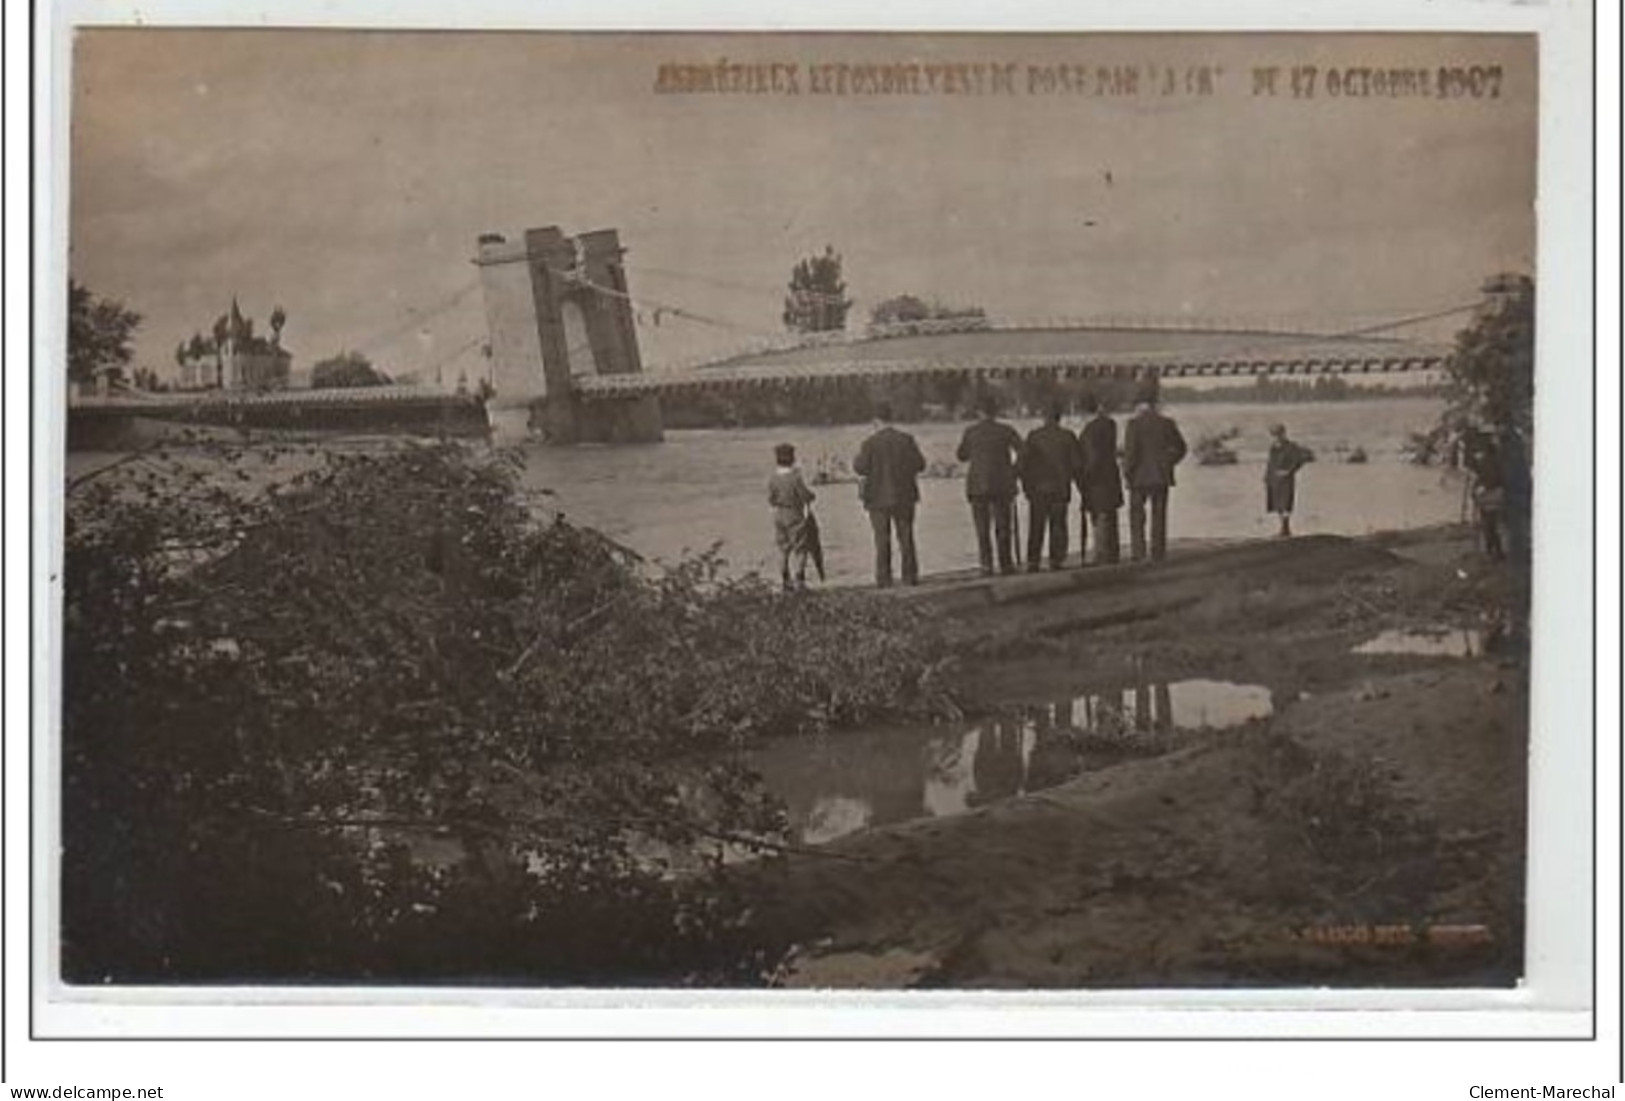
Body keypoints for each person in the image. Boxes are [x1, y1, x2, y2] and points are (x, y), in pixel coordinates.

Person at [853, 403, 926, 587]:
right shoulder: (907, 439)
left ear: (876, 421)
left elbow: (860, 468)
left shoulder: (869, 443)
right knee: (906, 536)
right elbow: (920, 465)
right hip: (904, 496)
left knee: (881, 539)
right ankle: (910, 577)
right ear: (891, 418)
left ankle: (884, 579)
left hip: (877, 498)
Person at [956, 395, 1024, 576]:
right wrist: (1014, 471)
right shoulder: (1006, 430)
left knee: (982, 529)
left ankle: (986, 565)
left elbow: (961, 456)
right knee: (1003, 527)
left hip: (978, 486)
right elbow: (1024, 452)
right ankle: (1006, 564)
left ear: (979, 412)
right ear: (996, 412)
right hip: (1002, 485)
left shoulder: (971, 431)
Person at [1121, 395, 1188, 562]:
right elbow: (1182, 447)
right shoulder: (1167, 423)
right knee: (1159, 515)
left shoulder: (1133, 424)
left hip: (1138, 477)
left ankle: (1139, 552)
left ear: (1140, 406)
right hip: (1160, 475)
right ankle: (1158, 552)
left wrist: (1126, 472)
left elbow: (1131, 453)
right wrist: (1169, 462)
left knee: (1137, 516)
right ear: (1154, 405)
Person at [1018, 402, 1080, 570]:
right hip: (1060, 488)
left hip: (1037, 488)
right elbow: (1076, 464)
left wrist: (1025, 486)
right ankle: (1056, 560)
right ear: (1059, 417)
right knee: (1058, 525)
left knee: (1036, 526)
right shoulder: (1067, 436)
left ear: (1044, 418)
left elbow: (1022, 464)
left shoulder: (1033, 436)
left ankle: (1033, 561)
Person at [1076, 394, 1123, 565]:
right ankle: (1113, 553)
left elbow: (1093, 457)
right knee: (1111, 513)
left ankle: (1101, 555)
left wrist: (1084, 476)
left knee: (1099, 515)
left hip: (1096, 479)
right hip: (1111, 474)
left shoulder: (1089, 430)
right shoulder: (1110, 424)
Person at [767, 442, 816, 591]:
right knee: (800, 549)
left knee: (783, 549)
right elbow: (804, 495)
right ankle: (799, 580)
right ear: (792, 458)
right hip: (795, 514)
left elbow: (771, 499)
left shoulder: (773, 478)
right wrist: (812, 495)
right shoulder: (795, 478)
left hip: (779, 515)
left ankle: (785, 580)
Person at [1460, 427, 1507, 561]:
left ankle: (1493, 552)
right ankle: (1493, 551)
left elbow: (1495, 476)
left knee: (1489, 523)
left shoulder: (1490, 459)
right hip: (1488, 494)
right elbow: (1474, 469)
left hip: (1492, 494)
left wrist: (1483, 486)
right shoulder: (1484, 457)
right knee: (1488, 523)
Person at [1263, 423, 1315, 538]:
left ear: (1283, 433)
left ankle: (1285, 528)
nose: (1277, 437)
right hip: (1274, 479)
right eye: (1274, 435)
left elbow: (1299, 460)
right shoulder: (1273, 448)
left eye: (1278, 434)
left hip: (1286, 479)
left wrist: (1289, 471)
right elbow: (1270, 463)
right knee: (1277, 504)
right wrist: (1267, 477)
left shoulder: (1290, 446)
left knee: (1286, 502)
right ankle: (1283, 528)